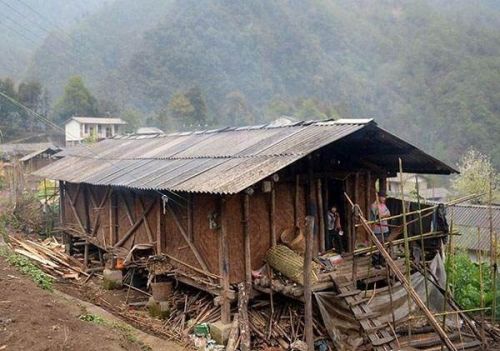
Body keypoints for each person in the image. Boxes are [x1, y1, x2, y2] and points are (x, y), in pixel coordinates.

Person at [370, 190, 391, 268]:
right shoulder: (374, 205)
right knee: (377, 246)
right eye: (383, 197)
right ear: (378, 197)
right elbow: (379, 215)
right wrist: (383, 215)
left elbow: (389, 214)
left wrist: (383, 215)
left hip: (385, 228)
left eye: (385, 197)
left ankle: (382, 261)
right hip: (377, 229)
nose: (384, 199)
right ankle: (375, 262)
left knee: (384, 245)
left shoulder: (383, 205)